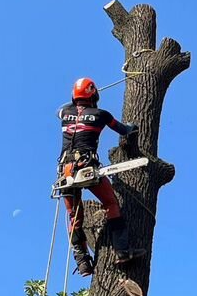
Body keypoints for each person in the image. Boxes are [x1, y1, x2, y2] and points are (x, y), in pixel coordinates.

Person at [57, 77, 146, 277]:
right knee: (111, 204)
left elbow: (60, 108)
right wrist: (134, 127)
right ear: (94, 93)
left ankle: (82, 263)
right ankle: (122, 250)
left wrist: (75, 102)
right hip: (87, 167)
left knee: (74, 217)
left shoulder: (64, 113)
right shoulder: (101, 114)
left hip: (66, 172)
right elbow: (124, 129)